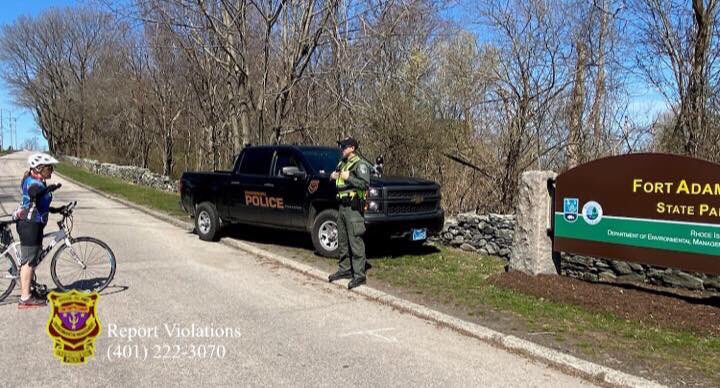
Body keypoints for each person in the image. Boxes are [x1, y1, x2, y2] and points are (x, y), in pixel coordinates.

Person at [13, 153, 62, 309]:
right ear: (39, 168)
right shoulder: (33, 183)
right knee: (28, 262)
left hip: (35, 223)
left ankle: (29, 290)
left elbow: (40, 205)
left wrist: (57, 210)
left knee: (32, 259)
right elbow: (34, 194)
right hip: (29, 225)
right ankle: (25, 298)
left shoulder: (38, 181)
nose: (51, 171)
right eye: (49, 168)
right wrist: (49, 188)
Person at [328, 137, 372, 289]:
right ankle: (344, 270)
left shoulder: (360, 165)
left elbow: (365, 184)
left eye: (344, 146)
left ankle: (359, 275)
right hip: (342, 207)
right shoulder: (342, 163)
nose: (342, 149)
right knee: (343, 240)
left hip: (353, 209)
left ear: (352, 148)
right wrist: (333, 176)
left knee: (355, 241)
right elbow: (339, 180)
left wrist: (349, 177)